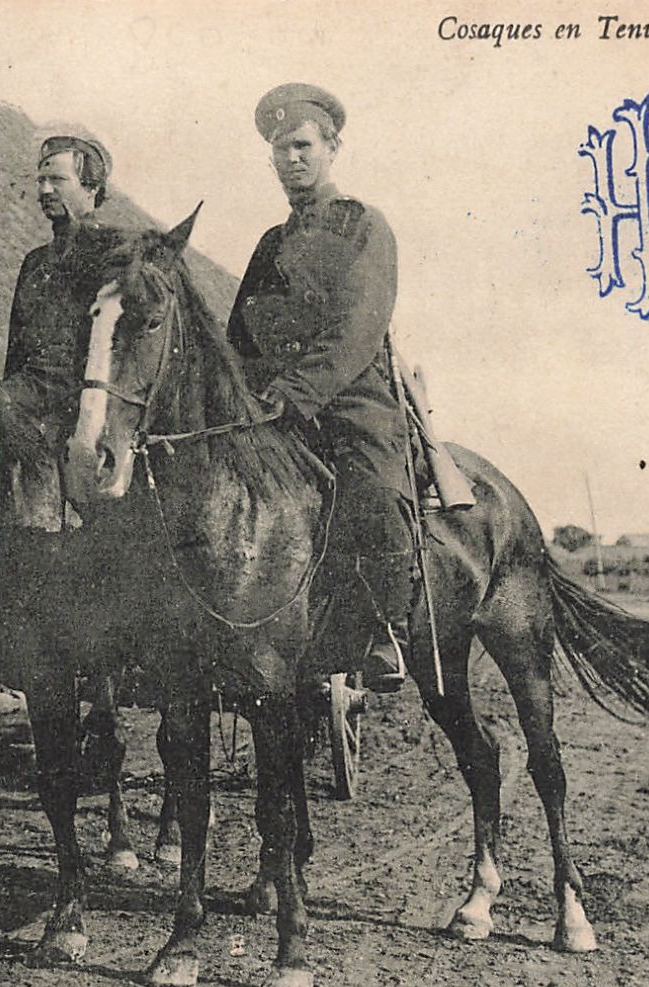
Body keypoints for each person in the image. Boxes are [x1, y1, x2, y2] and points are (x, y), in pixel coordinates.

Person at [226, 83, 414, 689]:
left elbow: (357, 329)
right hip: (273, 408)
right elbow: (240, 340)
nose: (293, 159)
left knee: (376, 493)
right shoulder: (269, 245)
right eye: (282, 149)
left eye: (304, 145)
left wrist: (297, 394)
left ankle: (383, 632)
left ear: (333, 148)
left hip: (348, 401)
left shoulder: (363, 226)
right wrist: (243, 395)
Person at [2, 131, 113, 440]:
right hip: (24, 409)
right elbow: (16, 353)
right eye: (41, 180)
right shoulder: (35, 262)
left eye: (57, 180)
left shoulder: (109, 257)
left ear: (91, 188)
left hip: (77, 422)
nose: (45, 190)